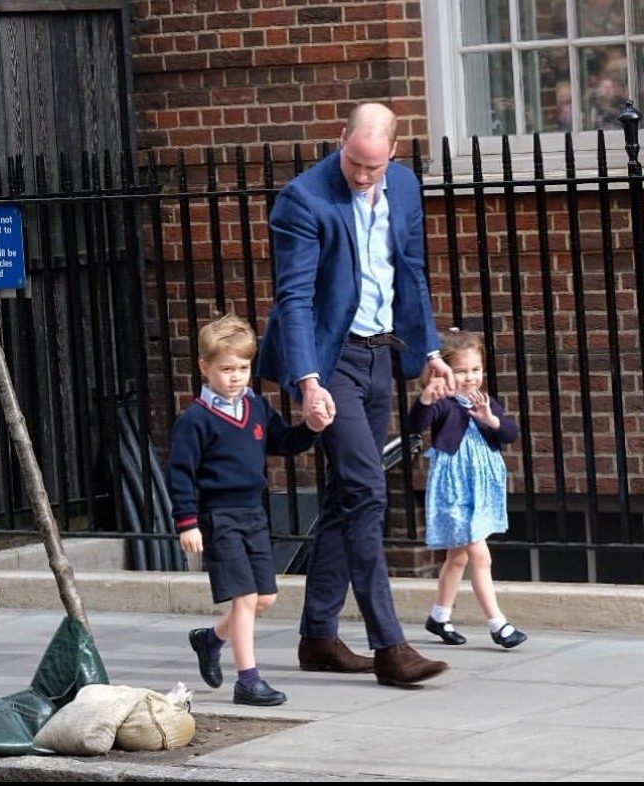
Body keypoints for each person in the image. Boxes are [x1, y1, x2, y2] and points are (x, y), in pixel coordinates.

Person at [257, 102, 455, 688]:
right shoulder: (304, 198)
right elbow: (294, 299)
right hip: (330, 359)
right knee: (368, 490)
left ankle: (318, 637)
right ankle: (390, 645)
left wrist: (429, 354)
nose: (363, 176)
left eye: (374, 166)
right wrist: (307, 381)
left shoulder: (404, 185)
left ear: (393, 153)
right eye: (354, 162)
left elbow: (411, 273)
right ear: (341, 139)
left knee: (349, 494)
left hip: (379, 354)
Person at [166, 313, 331, 707]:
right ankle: (248, 680)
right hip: (219, 518)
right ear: (205, 368)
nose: (236, 376)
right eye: (226, 369)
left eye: (243, 368)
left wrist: (311, 426)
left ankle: (211, 639)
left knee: (264, 599)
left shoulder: (256, 408)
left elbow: (284, 443)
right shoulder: (195, 420)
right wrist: (187, 523)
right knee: (243, 598)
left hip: (254, 514)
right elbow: (180, 474)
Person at [409, 329, 528, 649]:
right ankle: (498, 624)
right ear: (446, 371)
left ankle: (438, 616)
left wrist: (491, 419)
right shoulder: (442, 403)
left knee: (458, 558)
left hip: (481, 489)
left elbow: (511, 434)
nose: (470, 378)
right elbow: (415, 423)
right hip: (455, 489)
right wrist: (424, 398)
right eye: (461, 371)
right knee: (480, 556)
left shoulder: (485, 401)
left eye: (476, 370)